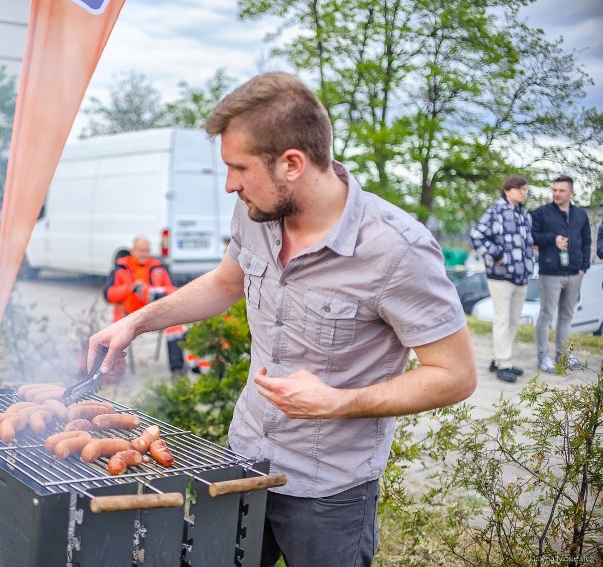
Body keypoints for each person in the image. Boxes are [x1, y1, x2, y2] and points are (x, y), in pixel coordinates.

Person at [88, 72, 477, 566]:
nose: (230, 185)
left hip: (328, 491)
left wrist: (335, 403)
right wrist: (138, 321)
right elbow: (226, 283)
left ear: (292, 163)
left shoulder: (398, 250)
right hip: (243, 454)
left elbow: (456, 375)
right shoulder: (254, 212)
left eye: (239, 168)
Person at [469, 175, 535, 383]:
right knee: (502, 320)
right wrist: (497, 255)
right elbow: (476, 235)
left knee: (514, 321)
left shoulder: (524, 214)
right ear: (507, 190)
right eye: (519, 189)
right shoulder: (496, 211)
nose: (523, 192)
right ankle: (503, 363)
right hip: (500, 277)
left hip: (521, 276)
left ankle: (499, 359)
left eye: (525, 189)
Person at [531, 175, 590, 374]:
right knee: (546, 315)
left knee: (566, 317)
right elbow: (531, 235)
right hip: (550, 273)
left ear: (571, 192)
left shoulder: (581, 215)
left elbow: (586, 240)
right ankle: (543, 358)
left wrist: (583, 267)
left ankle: (562, 355)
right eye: (554, 190)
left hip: (575, 272)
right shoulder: (541, 213)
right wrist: (552, 239)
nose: (556, 193)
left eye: (561, 190)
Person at [103, 236, 186, 376]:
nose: (144, 254)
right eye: (141, 250)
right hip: (127, 316)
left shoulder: (159, 268)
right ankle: (115, 372)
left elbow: (174, 291)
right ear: (132, 251)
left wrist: (158, 292)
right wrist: (130, 288)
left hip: (155, 315)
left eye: (147, 250)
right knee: (115, 331)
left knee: (176, 328)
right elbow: (108, 295)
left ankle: (178, 370)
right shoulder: (120, 269)